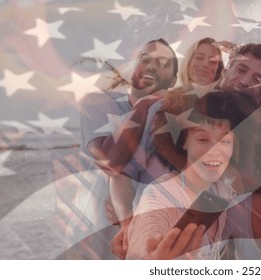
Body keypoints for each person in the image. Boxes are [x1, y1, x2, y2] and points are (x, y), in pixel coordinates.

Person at [65, 38, 178, 259]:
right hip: (90, 240)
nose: (152, 66)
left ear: (174, 80)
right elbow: (110, 162)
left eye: (163, 63)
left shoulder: (173, 120)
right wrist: (143, 105)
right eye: (145, 59)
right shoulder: (99, 102)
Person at [126, 90, 258, 259]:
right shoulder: (158, 197)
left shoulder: (223, 193)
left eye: (225, 141)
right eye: (203, 139)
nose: (214, 151)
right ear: (183, 141)